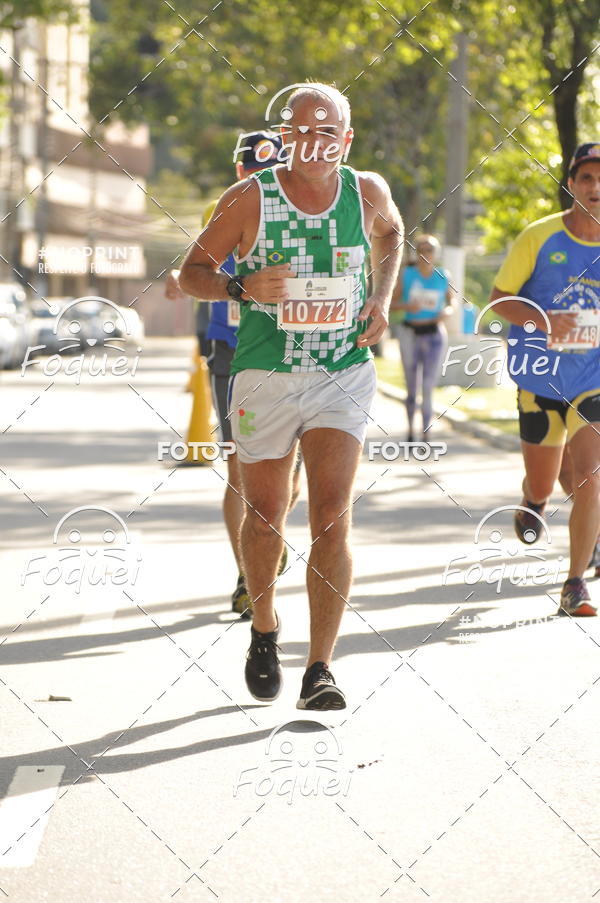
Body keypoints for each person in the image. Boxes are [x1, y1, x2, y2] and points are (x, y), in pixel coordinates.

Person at [179, 82, 403, 710]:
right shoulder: (249, 197)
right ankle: (264, 626)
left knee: (331, 514)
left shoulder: (367, 192)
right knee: (266, 515)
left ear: (346, 139)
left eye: (325, 131)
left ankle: (320, 670)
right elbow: (189, 274)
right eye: (301, 130)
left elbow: (391, 237)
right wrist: (241, 287)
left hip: (343, 371)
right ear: (284, 136)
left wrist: (380, 300)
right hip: (265, 374)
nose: (313, 142)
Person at [166, 131, 301, 620]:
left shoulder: (303, 207)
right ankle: (248, 573)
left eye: (269, 171)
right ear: (239, 170)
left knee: (289, 483)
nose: (258, 180)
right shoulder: (228, 206)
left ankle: (267, 538)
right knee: (240, 470)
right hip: (234, 351)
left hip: (296, 351)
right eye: (250, 171)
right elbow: (198, 265)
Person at [489, 142, 600, 616]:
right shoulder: (540, 237)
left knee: (591, 477)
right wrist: (544, 321)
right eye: (587, 178)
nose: (596, 188)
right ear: (572, 185)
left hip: (593, 377)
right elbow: (498, 302)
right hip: (540, 379)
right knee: (545, 478)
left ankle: (575, 581)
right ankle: (532, 500)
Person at [389, 235, 454, 441]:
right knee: (411, 387)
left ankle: (426, 432)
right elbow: (390, 303)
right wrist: (408, 306)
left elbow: (452, 303)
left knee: (427, 386)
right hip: (410, 333)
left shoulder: (443, 275)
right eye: (422, 250)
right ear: (416, 253)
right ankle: (410, 431)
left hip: (434, 334)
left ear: (436, 254)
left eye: (430, 250)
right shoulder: (407, 274)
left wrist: (446, 312)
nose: (426, 254)